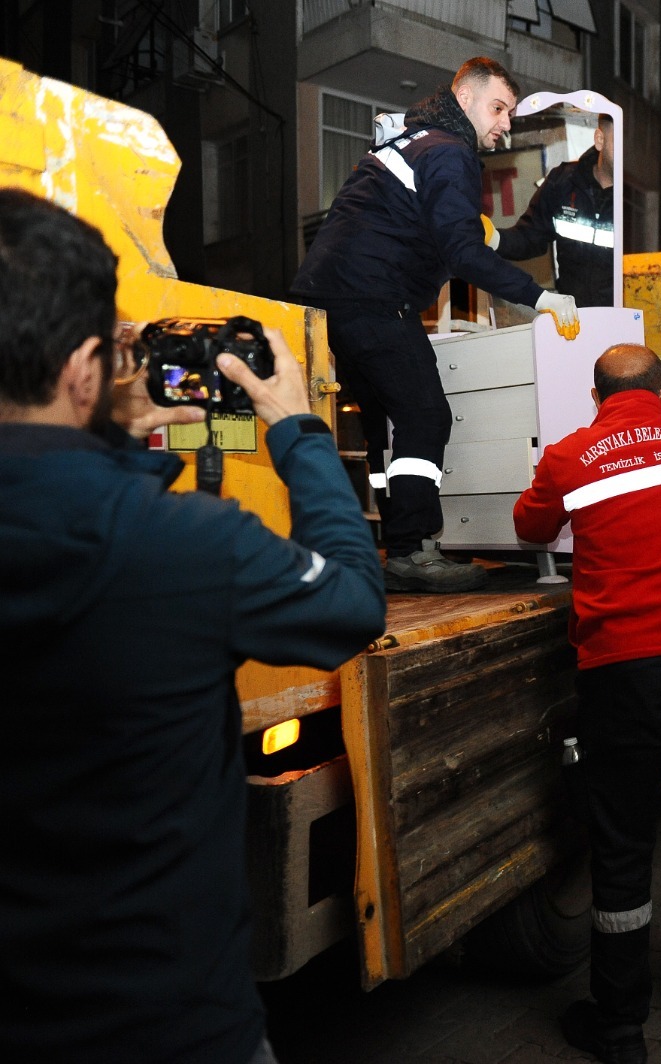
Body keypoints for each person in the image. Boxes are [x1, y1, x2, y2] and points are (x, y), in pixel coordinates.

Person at [0, 189, 387, 1064]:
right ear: (86, 367)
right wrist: (298, 431)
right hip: (167, 1025)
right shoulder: (185, 546)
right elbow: (353, 605)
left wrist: (108, 442)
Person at [512, 344, 661, 1064]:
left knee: (622, 846)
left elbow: (532, 528)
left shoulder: (569, 454)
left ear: (595, 396)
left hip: (625, 669)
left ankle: (620, 1026)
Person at [292, 56, 580, 594]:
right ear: (465, 98)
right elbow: (463, 254)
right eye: (498, 108)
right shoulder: (450, 153)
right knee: (425, 415)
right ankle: (413, 551)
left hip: (329, 298)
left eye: (511, 114)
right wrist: (540, 297)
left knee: (383, 423)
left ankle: (394, 542)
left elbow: (416, 223)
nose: (505, 124)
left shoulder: (412, 140)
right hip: (374, 296)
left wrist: (478, 236)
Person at [497, 114, 616, 308]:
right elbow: (529, 237)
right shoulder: (563, 182)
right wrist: (492, 238)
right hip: (575, 321)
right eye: (620, 141)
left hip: (626, 321)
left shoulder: (634, 200)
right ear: (600, 140)